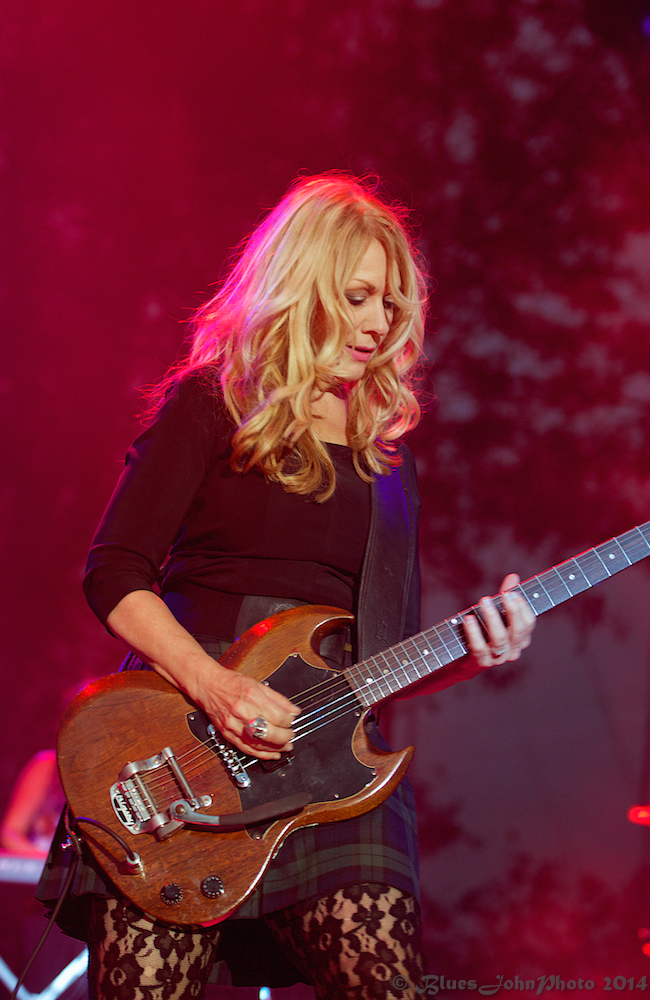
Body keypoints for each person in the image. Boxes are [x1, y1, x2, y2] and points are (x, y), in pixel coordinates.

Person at [36, 173, 535, 1000]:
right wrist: (218, 687)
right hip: (184, 749)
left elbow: (384, 658)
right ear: (303, 288)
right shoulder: (212, 402)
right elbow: (114, 570)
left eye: (393, 305)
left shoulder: (389, 462)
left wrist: (475, 654)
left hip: (333, 779)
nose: (380, 323)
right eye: (361, 296)